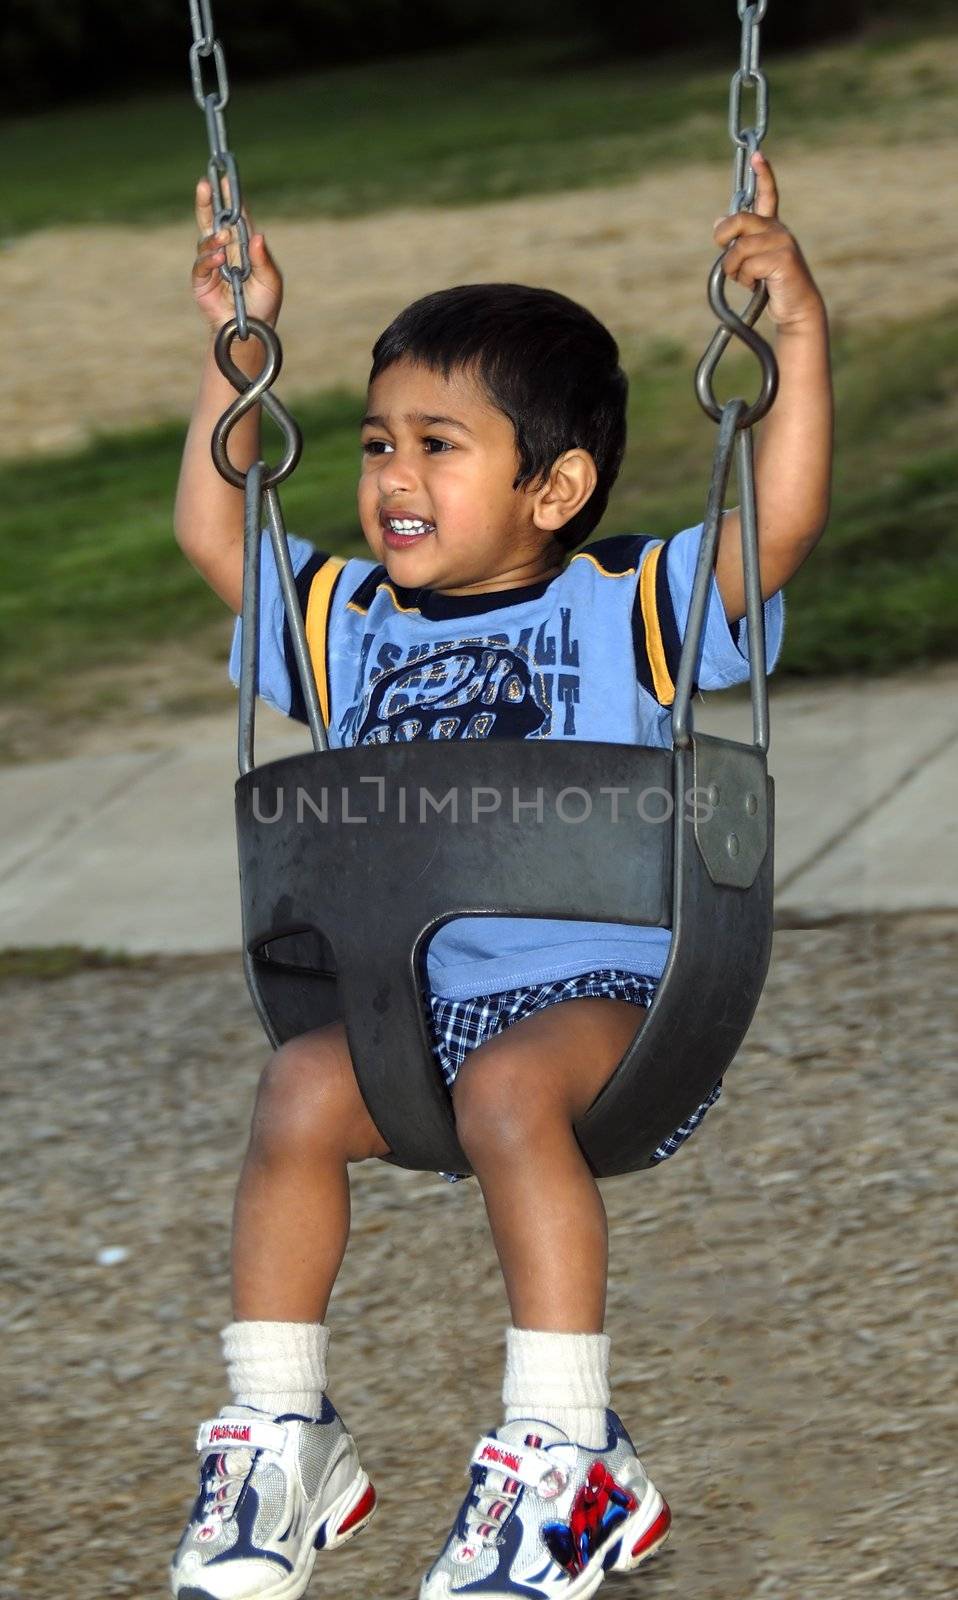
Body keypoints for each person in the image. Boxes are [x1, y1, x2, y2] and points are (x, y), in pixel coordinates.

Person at [170, 150, 832, 1600]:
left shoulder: (624, 609)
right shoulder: (345, 620)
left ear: (556, 487)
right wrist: (232, 355)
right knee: (294, 1094)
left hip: (603, 998)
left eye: (438, 444)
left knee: (510, 1094)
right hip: (415, 1000)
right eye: (373, 442)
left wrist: (795, 343)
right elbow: (213, 530)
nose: (391, 474)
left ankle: (563, 1455)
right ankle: (283, 1431)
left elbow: (771, 535)